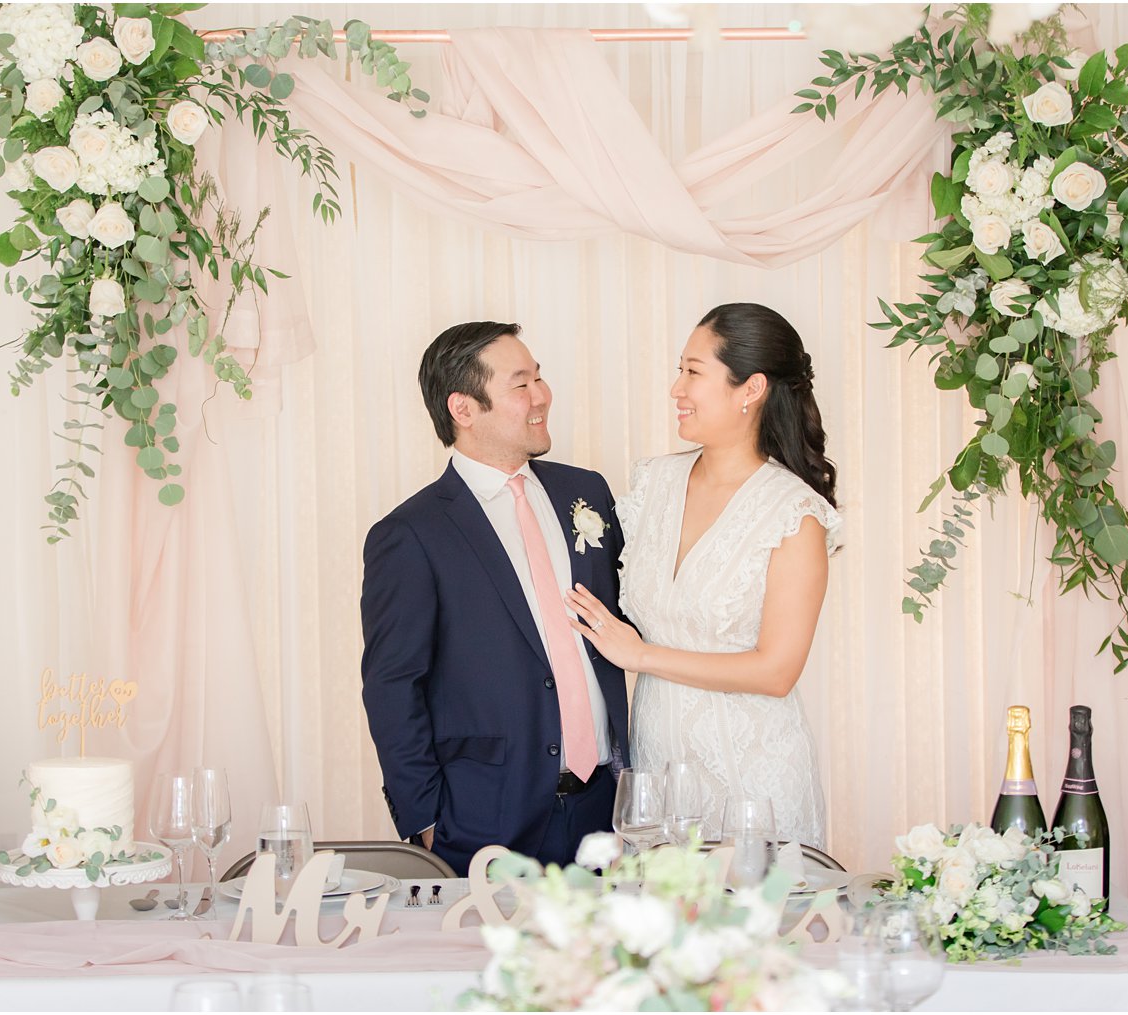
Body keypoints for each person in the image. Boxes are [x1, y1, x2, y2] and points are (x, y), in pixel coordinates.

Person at [565, 303, 841, 848]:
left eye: (693, 372)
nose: (677, 389)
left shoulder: (793, 514)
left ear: (751, 388)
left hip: (752, 781)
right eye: (679, 369)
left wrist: (641, 656)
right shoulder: (653, 482)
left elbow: (776, 671)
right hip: (655, 774)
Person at [360, 321, 629, 876]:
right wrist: (427, 820)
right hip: (484, 821)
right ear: (464, 408)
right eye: (521, 384)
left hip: (607, 812)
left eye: (540, 378)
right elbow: (392, 686)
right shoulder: (410, 535)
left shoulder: (587, 492)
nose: (542, 396)